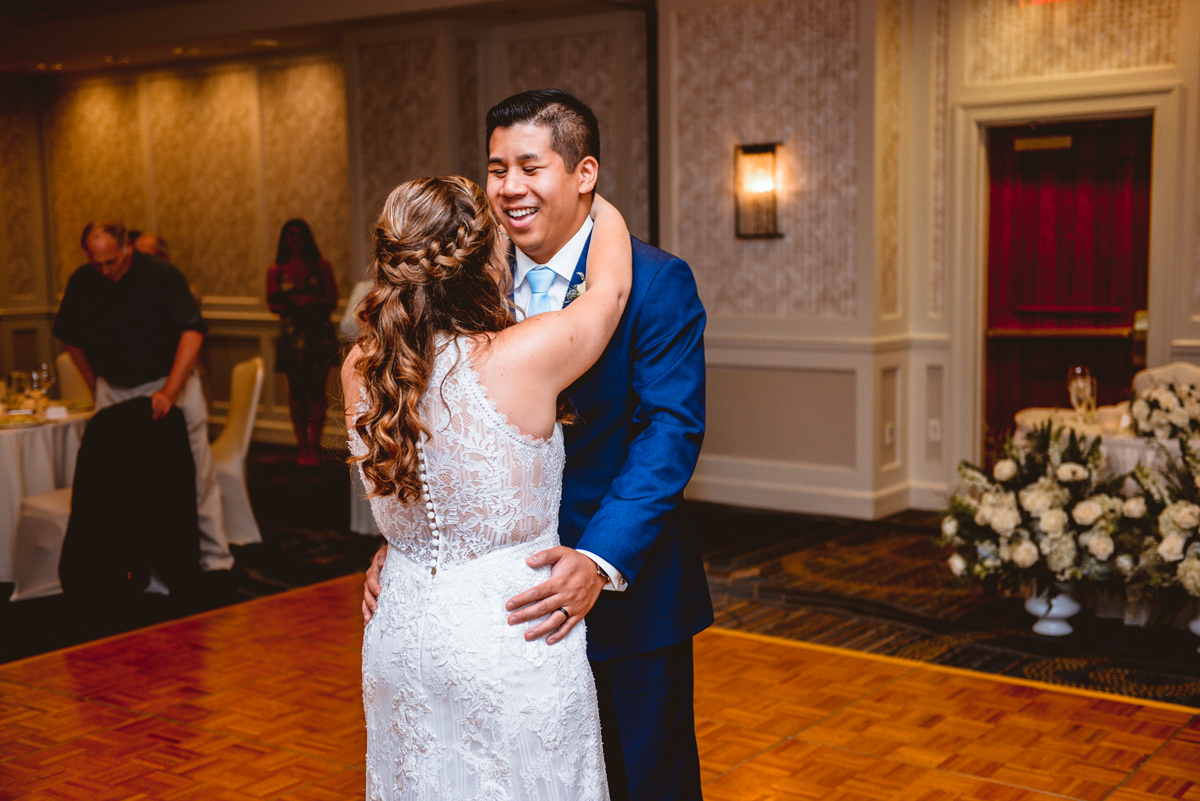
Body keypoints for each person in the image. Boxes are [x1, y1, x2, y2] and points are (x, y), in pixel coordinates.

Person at [364, 89, 712, 800]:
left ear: (583, 173)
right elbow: (430, 424)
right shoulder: (466, 277)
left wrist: (599, 558)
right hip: (500, 626)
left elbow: (669, 432)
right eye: (496, 169)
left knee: (647, 782)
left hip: (626, 595)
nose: (508, 187)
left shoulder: (656, 281)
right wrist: (420, 534)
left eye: (530, 165)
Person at [344, 176, 632, 797]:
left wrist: (397, 549)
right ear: (487, 255)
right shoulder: (522, 355)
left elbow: (415, 500)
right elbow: (607, 295)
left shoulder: (361, 367)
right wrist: (589, 192)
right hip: (513, 635)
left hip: (400, 629)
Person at [53, 219, 234, 572]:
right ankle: (139, 563)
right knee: (124, 480)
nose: (106, 270)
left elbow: (191, 333)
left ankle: (216, 560)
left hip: (169, 383)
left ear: (127, 248)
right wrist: (95, 384)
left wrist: (169, 391)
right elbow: (69, 337)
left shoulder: (161, 274)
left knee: (195, 473)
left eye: (113, 262)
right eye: (98, 264)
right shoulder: (83, 282)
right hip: (116, 389)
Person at [266, 219, 339, 467]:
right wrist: (292, 303)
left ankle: (315, 445)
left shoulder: (321, 267)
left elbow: (332, 299)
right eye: (290, 236)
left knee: (316, 390)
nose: (295, 240)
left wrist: (311, 301)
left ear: (307, 238)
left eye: (299, 235)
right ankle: (302, 446)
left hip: (318, 333)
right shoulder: (276, 270)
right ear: (285, 239)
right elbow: (272, 304)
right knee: (296, 392)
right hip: (291, 336)